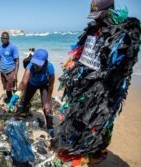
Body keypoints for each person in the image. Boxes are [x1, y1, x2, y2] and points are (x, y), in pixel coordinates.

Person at [52, 0, 140, 165]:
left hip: (104, 92)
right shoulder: (93, 30)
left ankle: (92, 154)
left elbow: (123, 66)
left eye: (99, 16)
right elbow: (82, 53)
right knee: (77, 118)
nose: (96, 20)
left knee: (97, 124)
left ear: (110, 11)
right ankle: (80, 150)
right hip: (83, 87)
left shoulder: (123, 34)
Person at [8, 49, 55, 136]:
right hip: (31, 84)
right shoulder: (30, 66)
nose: (35, 66)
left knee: (47, 108)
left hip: (44, 85)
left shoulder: (50, 67)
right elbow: (23, 83)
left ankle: (50, 127)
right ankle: (15, 119)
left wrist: (48, 101)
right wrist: (16, 95)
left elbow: (51, 86)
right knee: (23, 103)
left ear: (44, 62)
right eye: (34, 63)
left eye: (38, 64)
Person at [0, 32, 19, 103]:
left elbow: (17, 61)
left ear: (8, 39)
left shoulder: (13, 47)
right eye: (3, 38)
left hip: (11, 71)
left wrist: (15, 74)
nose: (4, 39)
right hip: (2, 72)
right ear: (1, 39)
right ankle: (9, 101)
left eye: (6, 38)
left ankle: (15, 102)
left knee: (13, 88)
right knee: (6, 88)